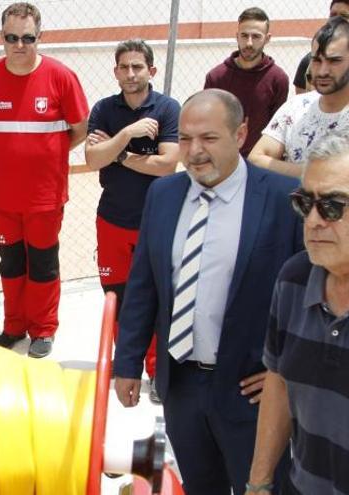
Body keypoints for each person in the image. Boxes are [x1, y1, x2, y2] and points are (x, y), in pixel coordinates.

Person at [113, 89, 300, 495]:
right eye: (184, 139)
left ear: (241, 133)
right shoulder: (163, 195)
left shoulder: (283, 201)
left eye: (209, 138)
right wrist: (126, 361)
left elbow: (311, 297)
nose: (194, 151)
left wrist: (288, 372)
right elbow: (144, 284)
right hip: (180, 387)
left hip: (252, 393)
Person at [0, 2, 88, 358]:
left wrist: (44, 155)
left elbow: (78, 130)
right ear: (1, 37)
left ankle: (43, 329)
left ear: (40, 37)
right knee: (12, 264)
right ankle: (14, 326)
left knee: (43, 265)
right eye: (12, 37)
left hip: (45, 198)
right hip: (2, 198)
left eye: (28, 38)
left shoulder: (61, 77)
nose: (19, 45)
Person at [247, 133, 349, 495]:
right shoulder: (294, 277)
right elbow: (278, 381)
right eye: (305, 203)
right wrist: (258, 483)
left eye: (333, 206)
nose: (314, 220)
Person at [84, 38, 180, 385]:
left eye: (137, 66)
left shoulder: (167, 109)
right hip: (111, 219)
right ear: (115, 72)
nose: (130, 73)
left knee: (156, 297)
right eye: (124, 67)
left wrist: (118, 153)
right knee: (118, 296)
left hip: (155, 221)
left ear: (151, 70)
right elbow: (92, 159)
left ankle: (157, 370)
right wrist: (127, 133)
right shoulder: (104, 109)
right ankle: (127, 367)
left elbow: (167, 165)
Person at [250, 15, 349, 177]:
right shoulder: (296, 106)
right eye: (317, 60)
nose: (323, 71)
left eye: (334, 61)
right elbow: (256, 159)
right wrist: (314, 173)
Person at [204, 7, 288, 157]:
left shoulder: (278, 79)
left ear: (267, 38)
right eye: (244, 35)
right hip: (221, 158)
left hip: (259, 162)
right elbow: (207, 123)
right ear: (237, 36)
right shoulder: (216, 77)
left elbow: (278, 132)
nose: (249, 43)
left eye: (256, 36)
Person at [291, 1, 349, 95]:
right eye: (333, 15)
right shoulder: (308, 61)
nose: (337, 20)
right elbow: (302, 102)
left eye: (344, 15)